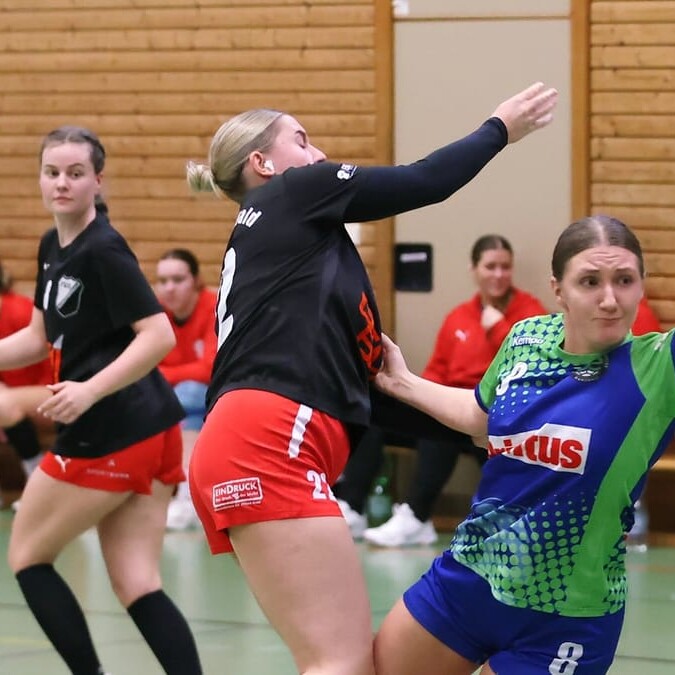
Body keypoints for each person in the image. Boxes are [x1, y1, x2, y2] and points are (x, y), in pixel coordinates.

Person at [184, 81, 558, 674]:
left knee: (341, 661)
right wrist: (499, 129)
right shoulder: (296, 192)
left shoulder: (293, 257)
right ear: (263, 163)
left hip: (250, 440)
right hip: (270, 439)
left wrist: (488, 429)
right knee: (340, 662)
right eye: (301, 141)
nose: (318, 153)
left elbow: (374, 392)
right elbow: (423, 181)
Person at [372, 215, 675, 675]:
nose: (610, 299)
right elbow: (478, 418)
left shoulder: (657, 369)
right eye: (589, 281)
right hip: (468, 579)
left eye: (624, 280)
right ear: (559, 289)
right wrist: (403, 382)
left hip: (566, 616)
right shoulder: (526, 338)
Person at [0, 126, 202, 674]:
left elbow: (158, 335)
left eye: (75, 173)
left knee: (28, 556)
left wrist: (89, 390)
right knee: (138, 582)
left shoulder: (104, 250)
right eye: (51, 173)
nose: (61, 183)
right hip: (151, 427)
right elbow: (38, 338)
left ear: (97, 180)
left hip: (112, 428)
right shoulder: (52, 245)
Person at [334, 235, 548, 545]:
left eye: (505, 267)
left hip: (494, 416)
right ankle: (352, 507)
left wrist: (498, 328)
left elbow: (535, 368)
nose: (498, 274)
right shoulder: (458, 317)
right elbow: (437, 369)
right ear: (474, 270)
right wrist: (421, 400)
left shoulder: (530, 314)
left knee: (445, 425)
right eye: (490, 267)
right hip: (452, 405)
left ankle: (416, 515)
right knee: (373, 413)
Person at [155, 248, 217, 530]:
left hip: (219, 395)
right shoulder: (155, 315)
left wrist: (163, 375)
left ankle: (188, 497)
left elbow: (209, 370)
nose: (169, 288)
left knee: (188, 394)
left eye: (178, 279)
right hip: (173, 397)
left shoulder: (213, 307)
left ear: (196, 281)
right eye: (162, 281)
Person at [0, 261, 53, 485]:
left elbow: (52, 364)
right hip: (15, 397)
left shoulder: (20, 310)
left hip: (53, 389)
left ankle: (36, 476)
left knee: (2, 404)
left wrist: (11, 401)